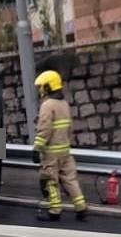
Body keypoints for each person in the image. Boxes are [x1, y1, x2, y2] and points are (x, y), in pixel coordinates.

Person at [32, 70, 87, 222]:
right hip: (65, 150)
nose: (40, 90)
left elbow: (44, 129)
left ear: (48, 87)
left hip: (51, 152)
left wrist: (37, 148)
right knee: (70, 179)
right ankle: (81, 207)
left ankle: (54, 211)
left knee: (50, 180)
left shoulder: (47, 105)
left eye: (41, 87)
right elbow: (70, 127)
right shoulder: (64, 104)